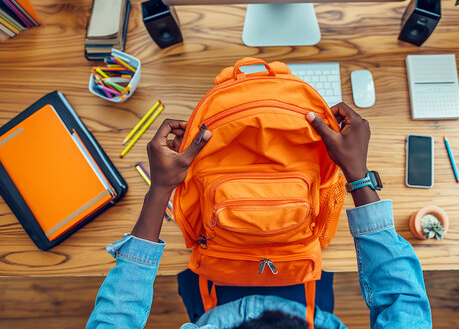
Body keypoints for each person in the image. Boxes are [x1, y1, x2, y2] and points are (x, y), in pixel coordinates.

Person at [86, 103, 432, 329]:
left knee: (191, 280)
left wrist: (160, 187)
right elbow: (403, 298)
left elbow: (116, 314)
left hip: (217, 283)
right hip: (303, 285)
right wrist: (357, 174)